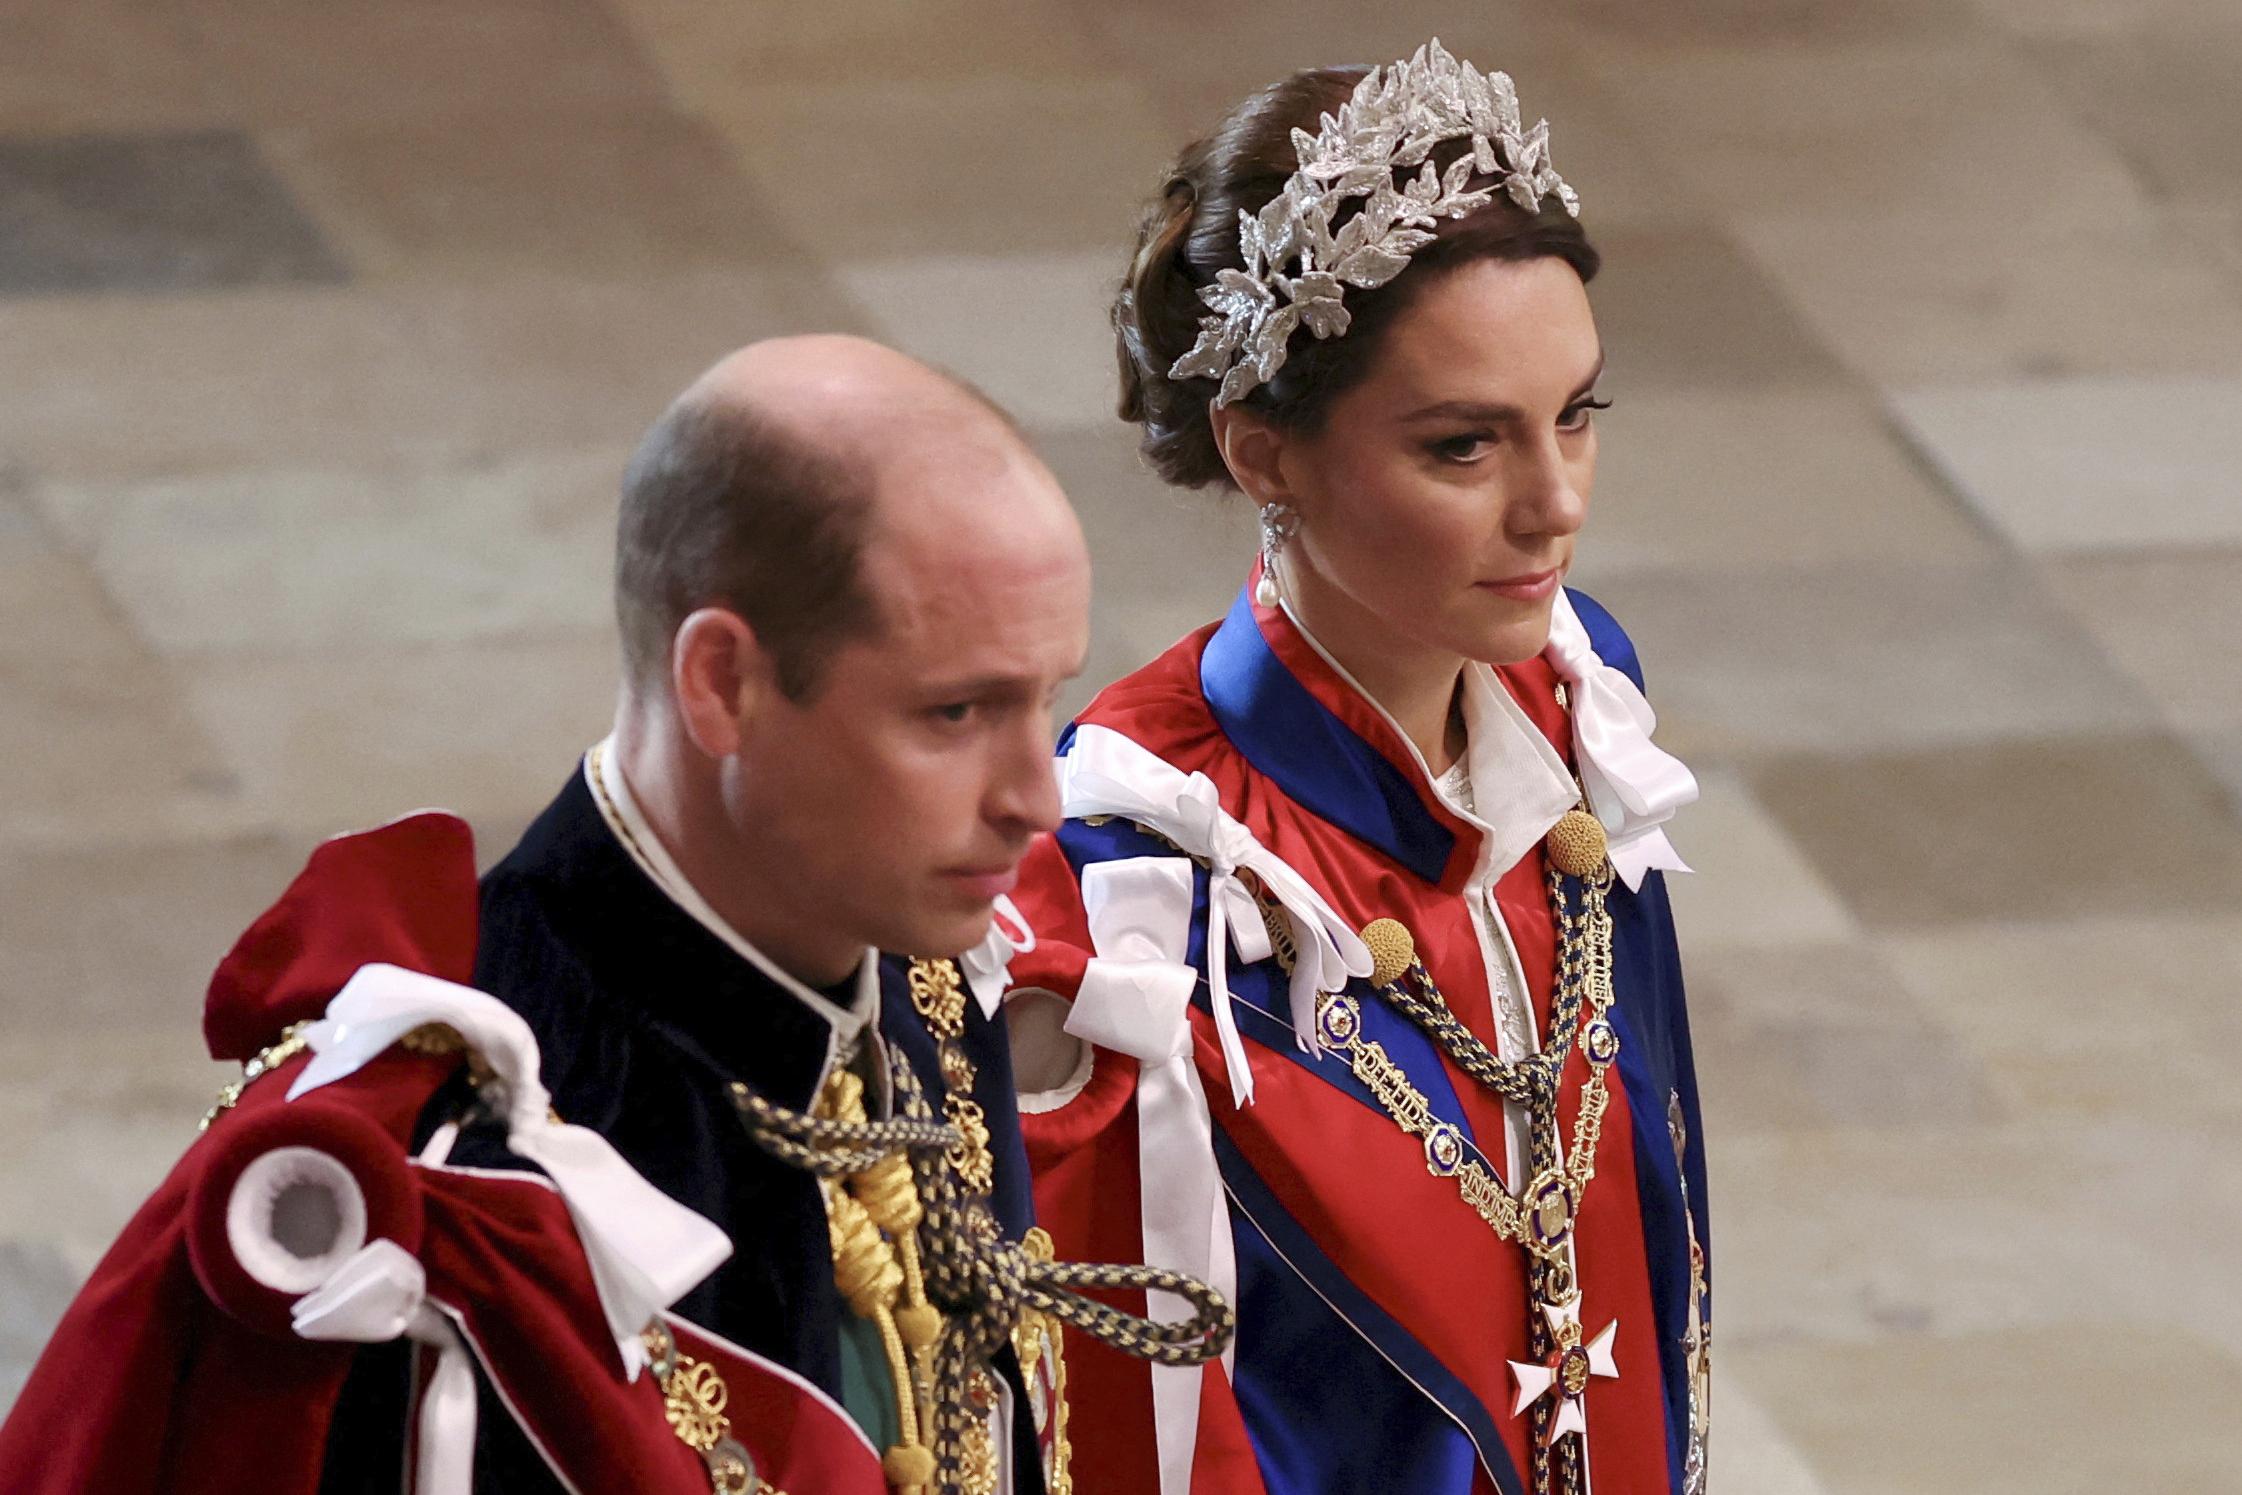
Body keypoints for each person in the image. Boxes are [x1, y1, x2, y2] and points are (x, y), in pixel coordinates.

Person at [0, 335, 1229, 1495]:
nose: (1033, 797)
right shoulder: (462, 1204)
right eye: (954, 715)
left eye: (1047, 699)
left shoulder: (916, 967)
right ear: (723, 684)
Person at [1002, 43, 1711, 1495]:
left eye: (1576, 414)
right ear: (1265, 455)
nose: (1555, 505)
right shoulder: (1130, 876)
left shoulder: (1581, 701)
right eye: (1464, 446)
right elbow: (1115, 1416)